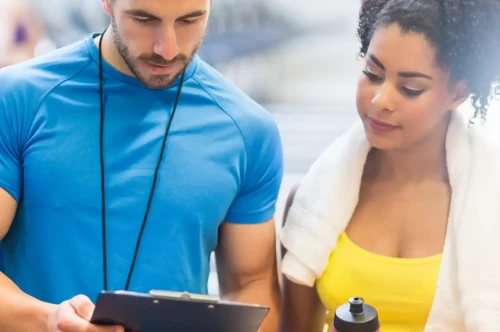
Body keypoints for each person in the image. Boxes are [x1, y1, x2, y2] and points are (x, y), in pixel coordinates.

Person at [0, 0, 284, 331]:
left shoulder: (248, 130)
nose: (167, 48)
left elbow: (251, 286)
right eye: (144, 20)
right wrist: (48, 320)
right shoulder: (19, 98)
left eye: (190, 20)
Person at [279, 0, 500, 331]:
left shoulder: (489, 204)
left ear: (458, 92)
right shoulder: (313, 198)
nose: (380, 101)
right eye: (373, 73)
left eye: (410, 89)